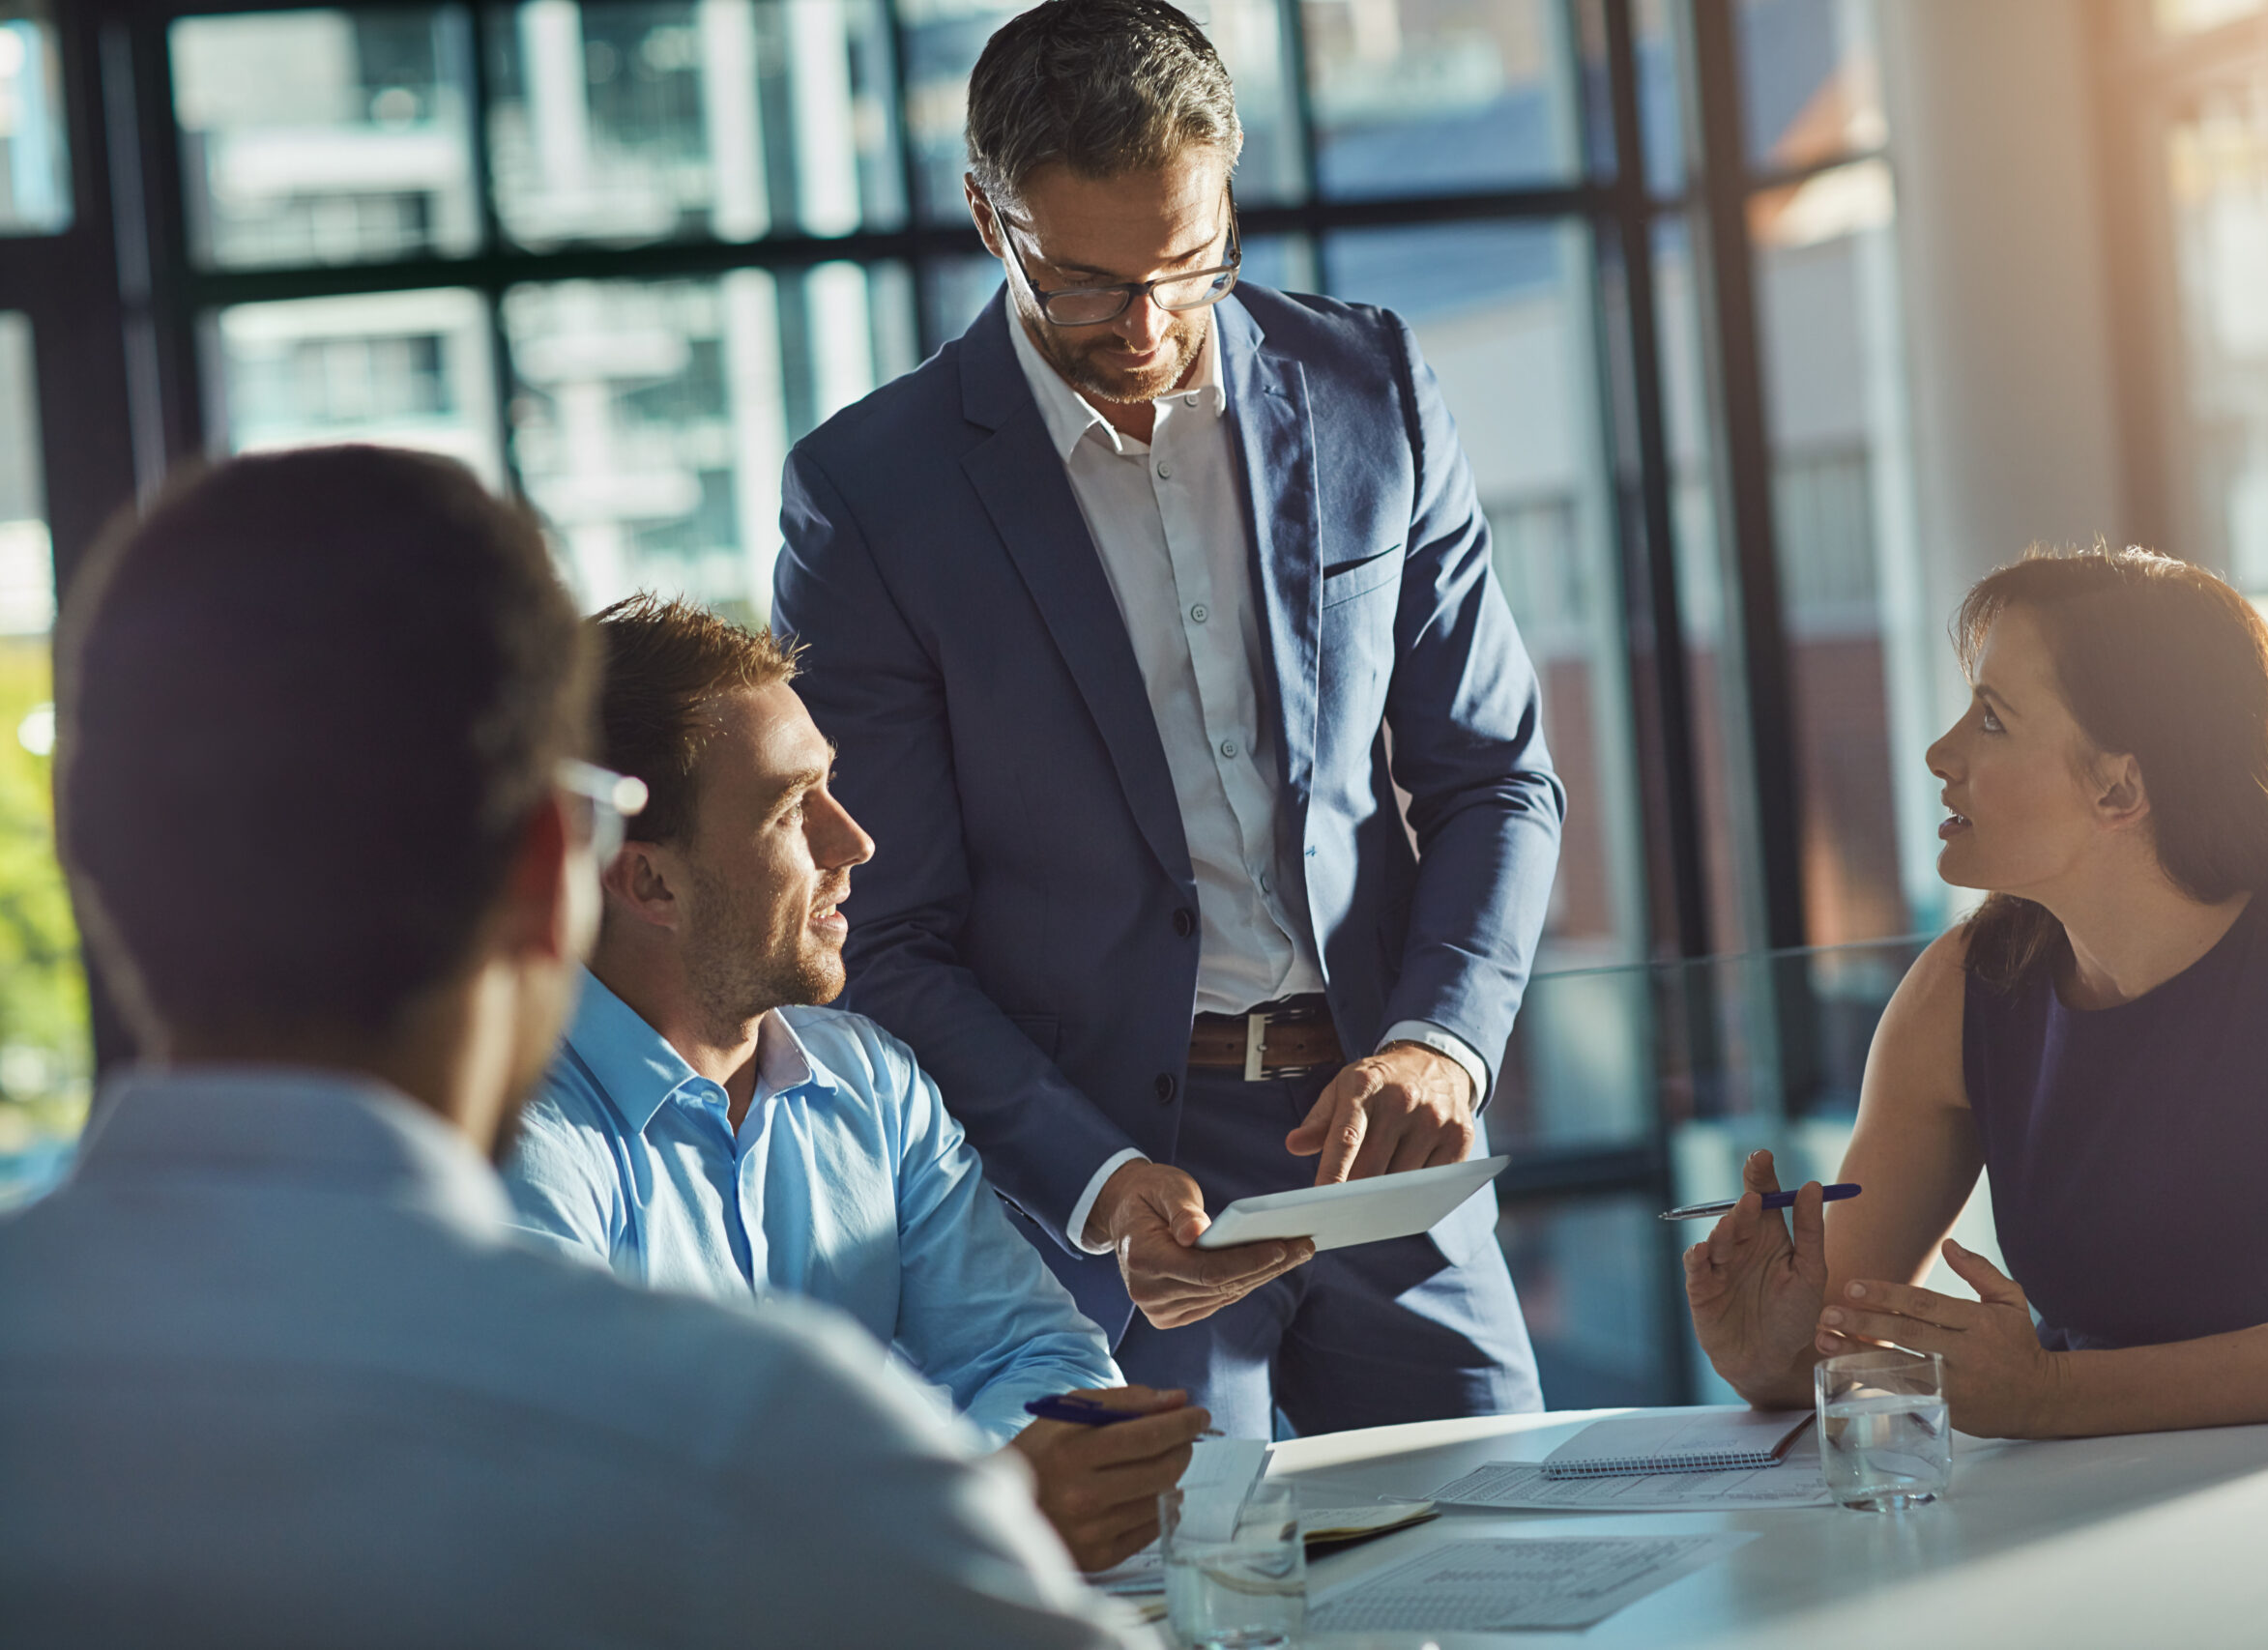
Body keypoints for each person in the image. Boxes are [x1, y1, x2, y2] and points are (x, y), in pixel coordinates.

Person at [0, 448, 1141, 1648]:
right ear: (568, 869)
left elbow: (1032, 1349)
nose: (853, 847)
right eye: (797, 812)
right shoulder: (754, 1450)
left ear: (88, 864)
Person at [773, 0, 1560, 1438]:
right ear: (985, 214)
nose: (1147, 326)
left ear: (1231, 186)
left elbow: (1497, 779)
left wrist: (1443, 1039)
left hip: (1379, 1138)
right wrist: (1089, 1178)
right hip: (1112, 1186)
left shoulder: (1367, 387)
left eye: (1190, 265)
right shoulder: (871, 497)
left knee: (1510, 1547)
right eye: (1084, 282)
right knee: (1188, 1593)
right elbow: (880, 932)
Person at [1685, 545, 2268, 1447]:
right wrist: (1766, 1352)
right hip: (2082, 1530)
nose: (1942, 754)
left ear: (2119, 784)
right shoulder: (1958, 989)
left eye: (1991, 719)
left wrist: (2057, 1395)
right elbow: (1830, 1351)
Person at [504, 594, 1207, 1572]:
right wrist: (983, 1506)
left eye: (830, 790)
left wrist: (977, 1506)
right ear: (650, 883)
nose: (854, 844)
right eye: (793, 809)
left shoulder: (871, 1083)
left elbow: (1045, 1367)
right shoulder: (519, 1139)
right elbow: (595, 1503)